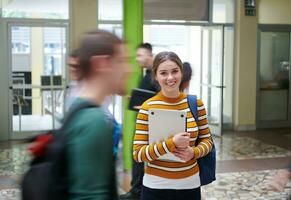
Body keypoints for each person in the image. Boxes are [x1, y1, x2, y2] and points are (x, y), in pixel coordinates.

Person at [133, 51, 213, 200]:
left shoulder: (196, 104)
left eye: (175, 71)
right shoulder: (147, 107)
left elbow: (207, 141)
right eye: (163, 73)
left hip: (190, 186)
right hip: (155, 188)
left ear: (181, 73)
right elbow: (138, 154)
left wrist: (193, 152)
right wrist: (171, 143)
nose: (170, 78)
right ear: (156, 76)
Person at [64, 30, 130, 199]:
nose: (129, 69)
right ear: (101, 63)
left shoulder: (79, 109)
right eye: (122, 61)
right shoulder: (94, 121)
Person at [120, 43, 159, 200]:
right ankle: (137, 190)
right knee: (137, 156)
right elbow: (150, 96)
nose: (137, 59)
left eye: (140, 55)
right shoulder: (146, 73)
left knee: (139, 156)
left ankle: (137, 192)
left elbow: (160, 98)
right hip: (144, 121)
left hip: (151, 124)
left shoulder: (155, 75)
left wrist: (146, 104)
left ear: (150, 55)